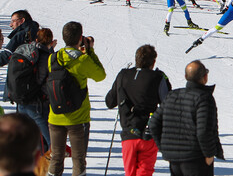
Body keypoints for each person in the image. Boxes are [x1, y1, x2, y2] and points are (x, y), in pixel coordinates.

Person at [48, 21, 106, 176]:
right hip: (78, 118)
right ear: (80, 37)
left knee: (56, 158)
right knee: (78, 159)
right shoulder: (82, 60)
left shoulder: (53, 58)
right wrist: (90, 51)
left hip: (55, 115)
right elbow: (101, 75)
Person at [149, 60, 224, 176]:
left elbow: (153, 123)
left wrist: (165, 149)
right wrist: (209, 154)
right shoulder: (204, 98)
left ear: (185, 77)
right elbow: (203, 131)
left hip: (175, 160)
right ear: (205, 77)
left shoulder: (172, 95)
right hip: (196, 158)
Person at [105, 45, 171, 176]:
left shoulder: (123, 75)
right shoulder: (157, 77)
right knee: (144, 172)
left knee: (130, 173)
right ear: (153, 62)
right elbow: (168, 102)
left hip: (128, 133)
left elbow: (109, 101)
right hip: (148, 133)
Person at [4, 28, 56, 151]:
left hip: (21, 99)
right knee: (48, 139)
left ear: (36, 39)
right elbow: (42, 80)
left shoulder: (26, 51)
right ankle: (49, 160)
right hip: (36, 102)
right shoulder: (46, 57)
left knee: (25, 135)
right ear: (50, 41)